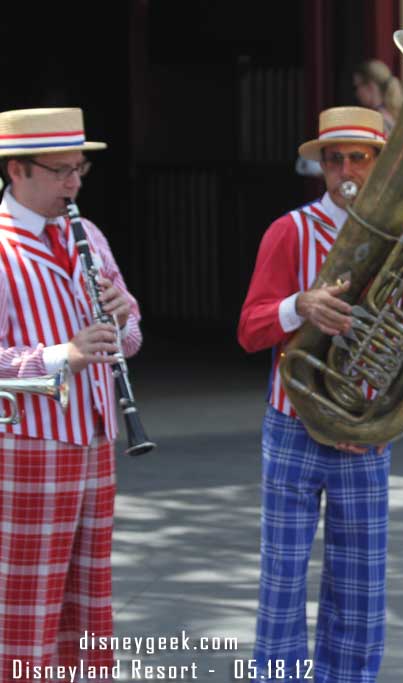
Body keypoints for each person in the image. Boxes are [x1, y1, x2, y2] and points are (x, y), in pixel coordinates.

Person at [238, 106, 391, 681]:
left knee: (361, 591)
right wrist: (298, 305)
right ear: (320, 166)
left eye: (359, 157)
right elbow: (250, 328)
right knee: (281, 584)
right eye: (334, 159)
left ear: (379, 163)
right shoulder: (290, 231)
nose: (345, 169)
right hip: (293, 423)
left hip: (363, 429)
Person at [0, 107, 143, 675]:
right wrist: (63, 357)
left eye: (79, 170)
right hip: (28, 447)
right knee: (26, 607)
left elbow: (129, 338)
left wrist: (122, 314)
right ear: (17, 171)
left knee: (88, 605)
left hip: (95, 442)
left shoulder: (90, 234)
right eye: (60, 171)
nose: (73, 184)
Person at [353, 59, 403, 134]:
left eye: (358, 86)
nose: (357, 92)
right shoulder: (392, 116)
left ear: (370, 86)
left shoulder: (376, 121)